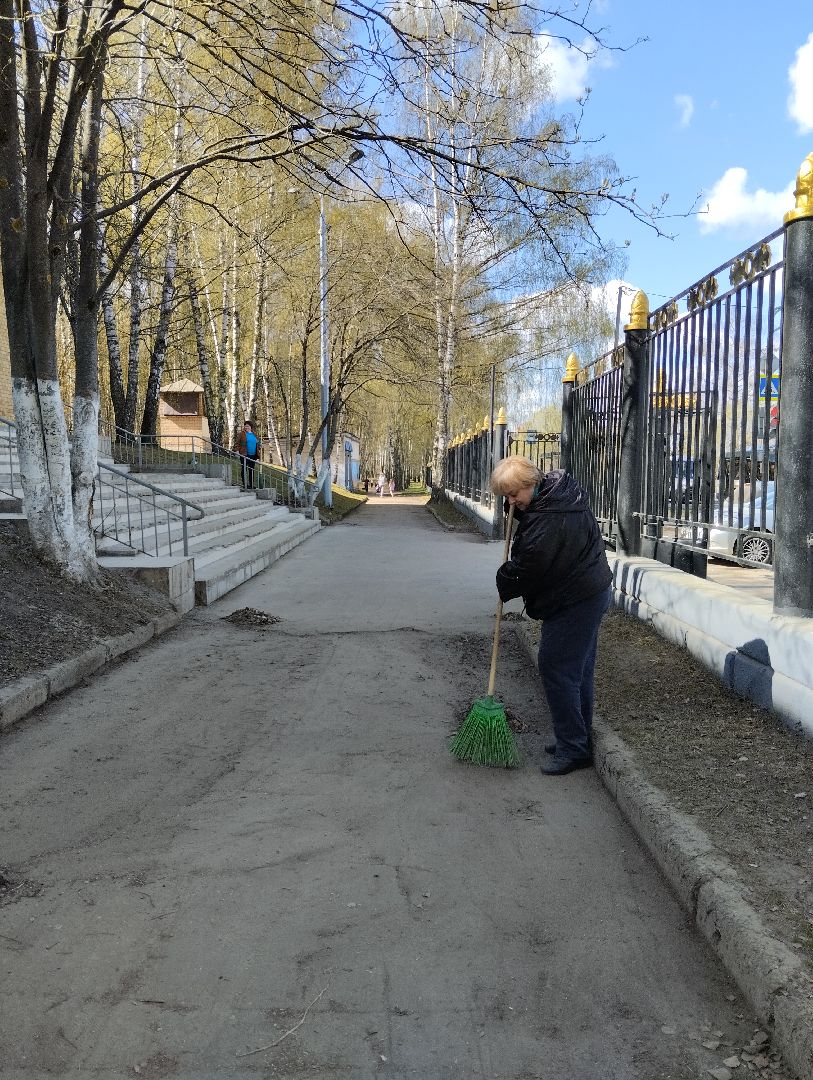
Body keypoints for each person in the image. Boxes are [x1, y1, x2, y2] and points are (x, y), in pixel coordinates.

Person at [490, 457, 612, 776]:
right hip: (588, 591)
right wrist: (519, 509)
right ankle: (576, 739)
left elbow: (531, 564)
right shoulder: (557, 496)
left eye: (513, 494)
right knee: (577, 670)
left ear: (531, 484)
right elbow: (537, 537)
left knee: (557, 667)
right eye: (506, 496)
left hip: (577, 599)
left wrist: (505, 579)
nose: (510, 501)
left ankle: (573, 748)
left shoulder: (550, 518)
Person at [237, 420, 261, 490]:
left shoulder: (254, 434)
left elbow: (257, 442)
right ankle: (245, 484)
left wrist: (259, 445)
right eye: (245, 426)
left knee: (251, 470)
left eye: (248, 426)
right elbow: (237, 443)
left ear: (251, 427)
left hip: (253, 455)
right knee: (244, 469)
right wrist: (237, 451)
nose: (246, 427)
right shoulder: (242, 434)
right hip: (244, 454)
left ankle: (251, 485)